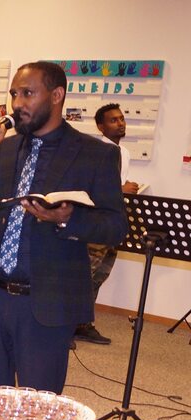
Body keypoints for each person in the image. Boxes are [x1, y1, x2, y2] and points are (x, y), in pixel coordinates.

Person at [0, 61, 126, 393]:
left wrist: (67, 218)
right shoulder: (1, 147)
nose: (17, 104)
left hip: (46, 303)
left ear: (56, 95)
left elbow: (116, 227)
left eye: (28, 93)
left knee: (39, 411)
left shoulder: (94, 154)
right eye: (15, 94)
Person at [79, 102, 143, 346]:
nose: (120, 123)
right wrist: (120, 188)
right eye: (113, 120)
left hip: (114, 222)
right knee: (84, 275)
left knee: (99, 275)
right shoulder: (94, 151)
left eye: (122, 118)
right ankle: (67, 324)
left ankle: (83, 323)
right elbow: (88, 187)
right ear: (100, 126)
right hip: (95, 223)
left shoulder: (123, 152)